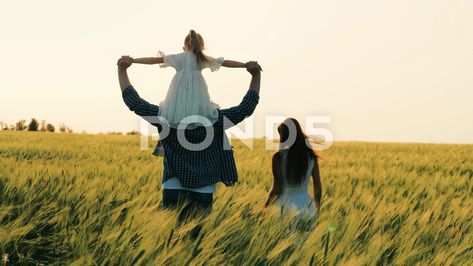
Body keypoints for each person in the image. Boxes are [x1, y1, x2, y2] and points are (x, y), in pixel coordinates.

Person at [117, 55, 262, 222]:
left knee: (171, 240)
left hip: (173, 184)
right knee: (196, 238)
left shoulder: (164, 118)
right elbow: (246, 107)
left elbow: (134, 102)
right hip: (204, 187)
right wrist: (255, 75)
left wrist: (122, 70)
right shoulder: (216, 120)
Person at [131, 30, 248, 156]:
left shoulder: (179, 57)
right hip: (198, 96)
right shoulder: (202, 58)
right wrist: (246, 65)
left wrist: (133, 60)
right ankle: (211, 148)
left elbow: (153, 60)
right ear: (201, 47)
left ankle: (162, 146)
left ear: (184, 47)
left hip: (177, 96)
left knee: (169, 117)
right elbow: (226, 63)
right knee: (204, 120)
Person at [265, 118, 322, 220]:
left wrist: (265, 208)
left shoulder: (278, 157)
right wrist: (317, 208)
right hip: (307, 207)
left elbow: (277, 188)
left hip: (285, 207)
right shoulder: (311, 157)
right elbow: (317, 187)